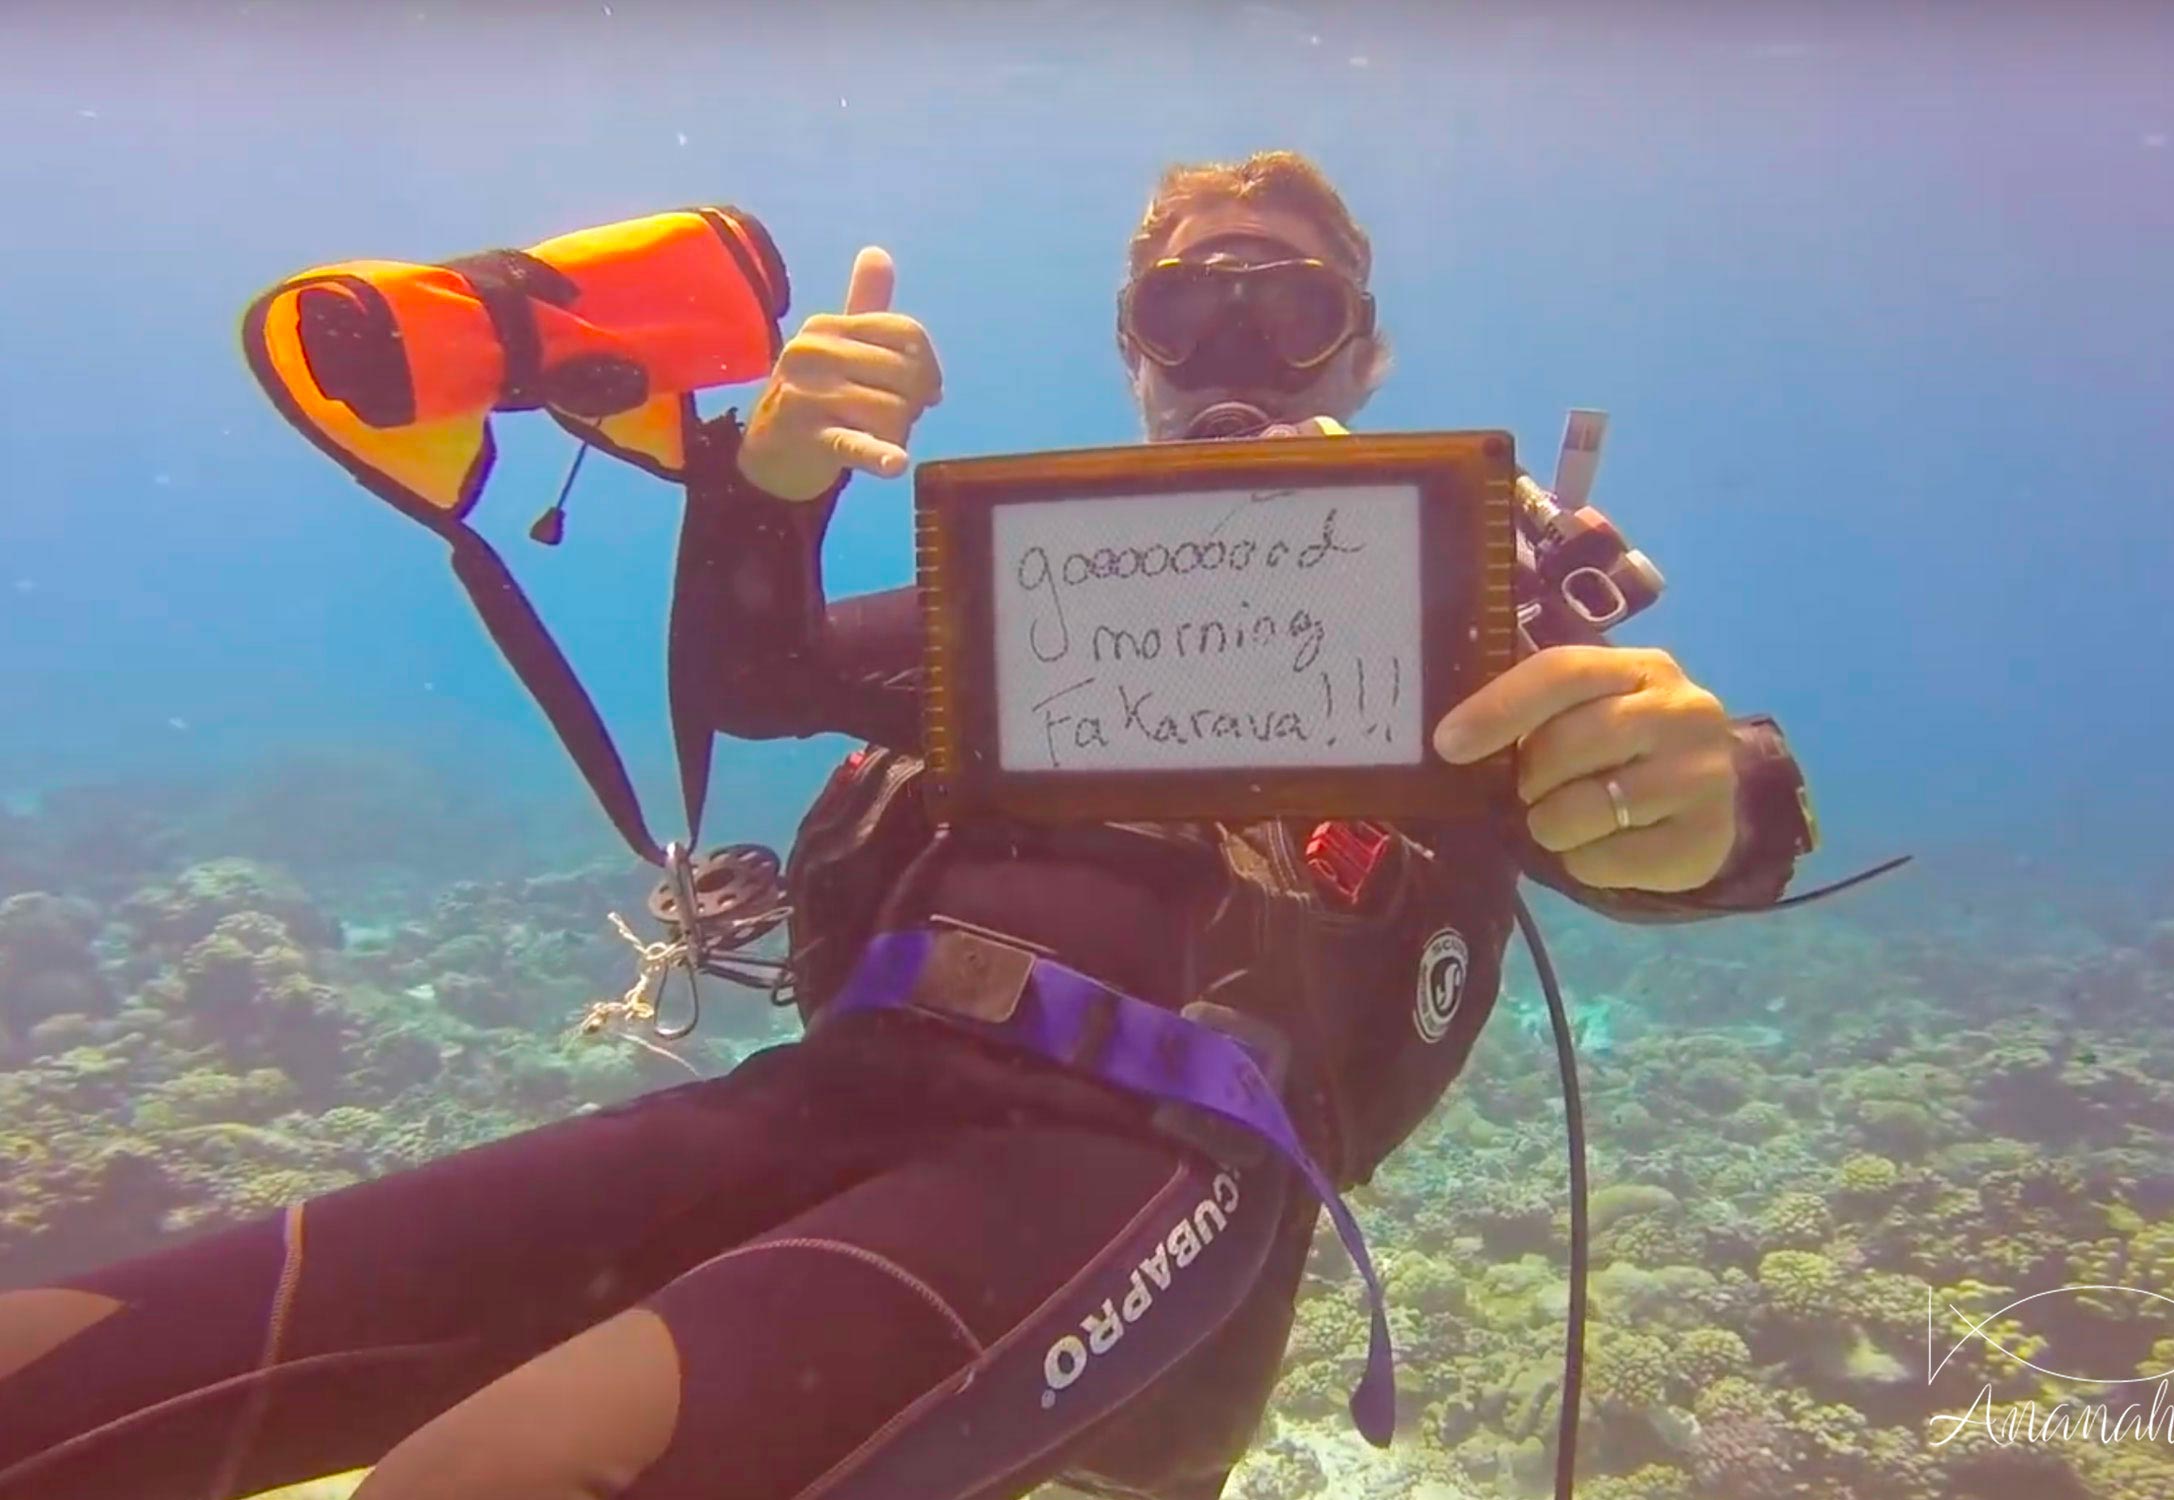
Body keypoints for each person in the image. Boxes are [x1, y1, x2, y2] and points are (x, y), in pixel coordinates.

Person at [0, 150, 1819, 1500]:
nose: (1236, 341)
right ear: (1131, 346)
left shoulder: (1465, 621)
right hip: (827, 1098)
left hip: (1150, 1167)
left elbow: (1655, 813)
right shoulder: (1027, 603)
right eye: (1190, 304)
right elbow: (760, 672)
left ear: (1361, 351)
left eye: (1291, 305)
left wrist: (1711, 792)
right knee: (70, 1374)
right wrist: (764, 481)